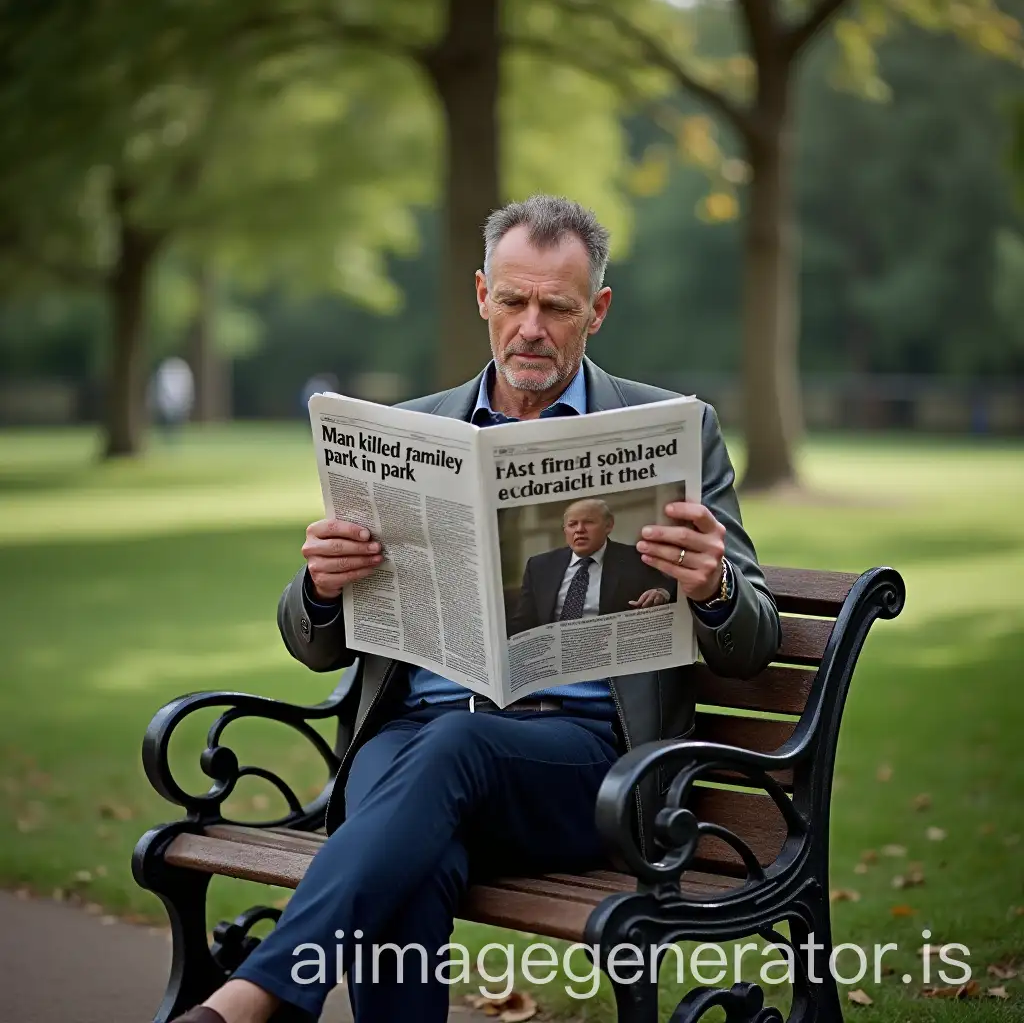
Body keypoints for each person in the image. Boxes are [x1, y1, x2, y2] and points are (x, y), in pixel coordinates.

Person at [173, 195, 781, 1023]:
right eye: (513, 301)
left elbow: (753, 644)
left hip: (582, 770)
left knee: (447, 754)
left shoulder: (676, 430)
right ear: (480, 295)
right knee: (415, 849)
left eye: (557, 308)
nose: (531, 327)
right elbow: (313, 647)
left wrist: (712, 589)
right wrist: (320, 585)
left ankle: (256, 995)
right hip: (412, 751)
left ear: (596, 311)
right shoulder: (407, 430)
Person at [507, 497, 674, 637]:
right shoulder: (540, 566)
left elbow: (668, 588)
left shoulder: (636, 558)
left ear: (609, 525)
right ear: (565, 530)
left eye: (588, 522)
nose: (579, 530)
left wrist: (661, 593)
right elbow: (524, 621)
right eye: (572, 524)